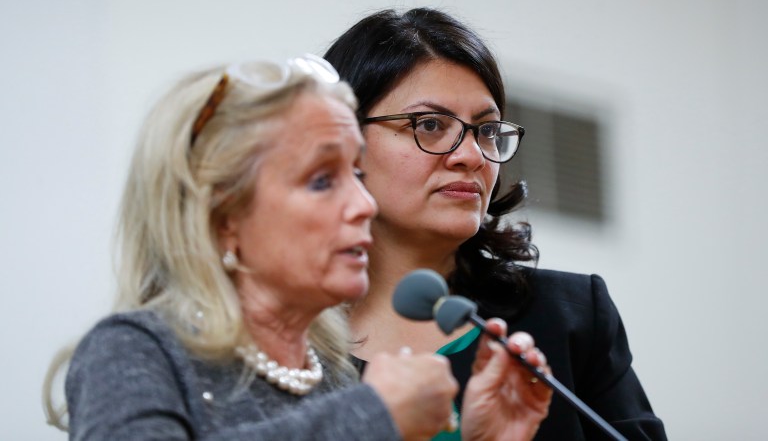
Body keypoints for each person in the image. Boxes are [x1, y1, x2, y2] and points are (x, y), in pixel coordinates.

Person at [42, 54, 552, 440]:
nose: (363, 206)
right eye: (321, 181)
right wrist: (373, 416)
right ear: (224, 219)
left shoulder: (333, 377)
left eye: (356, 174)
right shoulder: (134, 350)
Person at [324, 8, 667, 441]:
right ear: (343, 140)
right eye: (429, 125)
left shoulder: (570, 317)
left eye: (485, 130)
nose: (472, 155)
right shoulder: (276, 341)